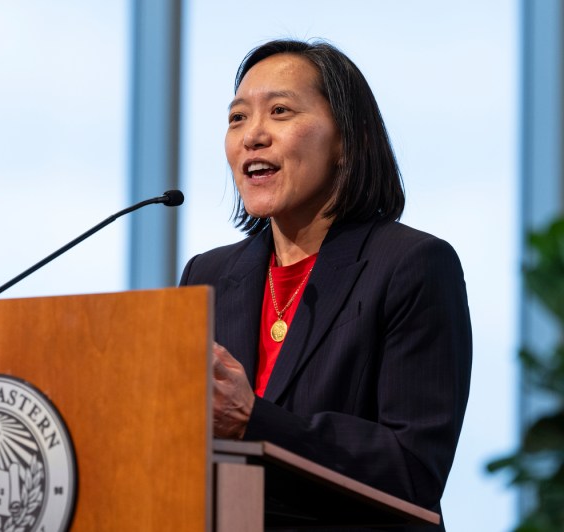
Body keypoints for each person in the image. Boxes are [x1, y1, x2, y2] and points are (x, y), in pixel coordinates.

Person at [179, 39, 472, 530]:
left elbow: (413, 471)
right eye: (237, 118)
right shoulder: (205, 277)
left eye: (279, 111)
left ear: (345, 141)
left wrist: (256, 420)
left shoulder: (413, 265)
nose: (253, 135)